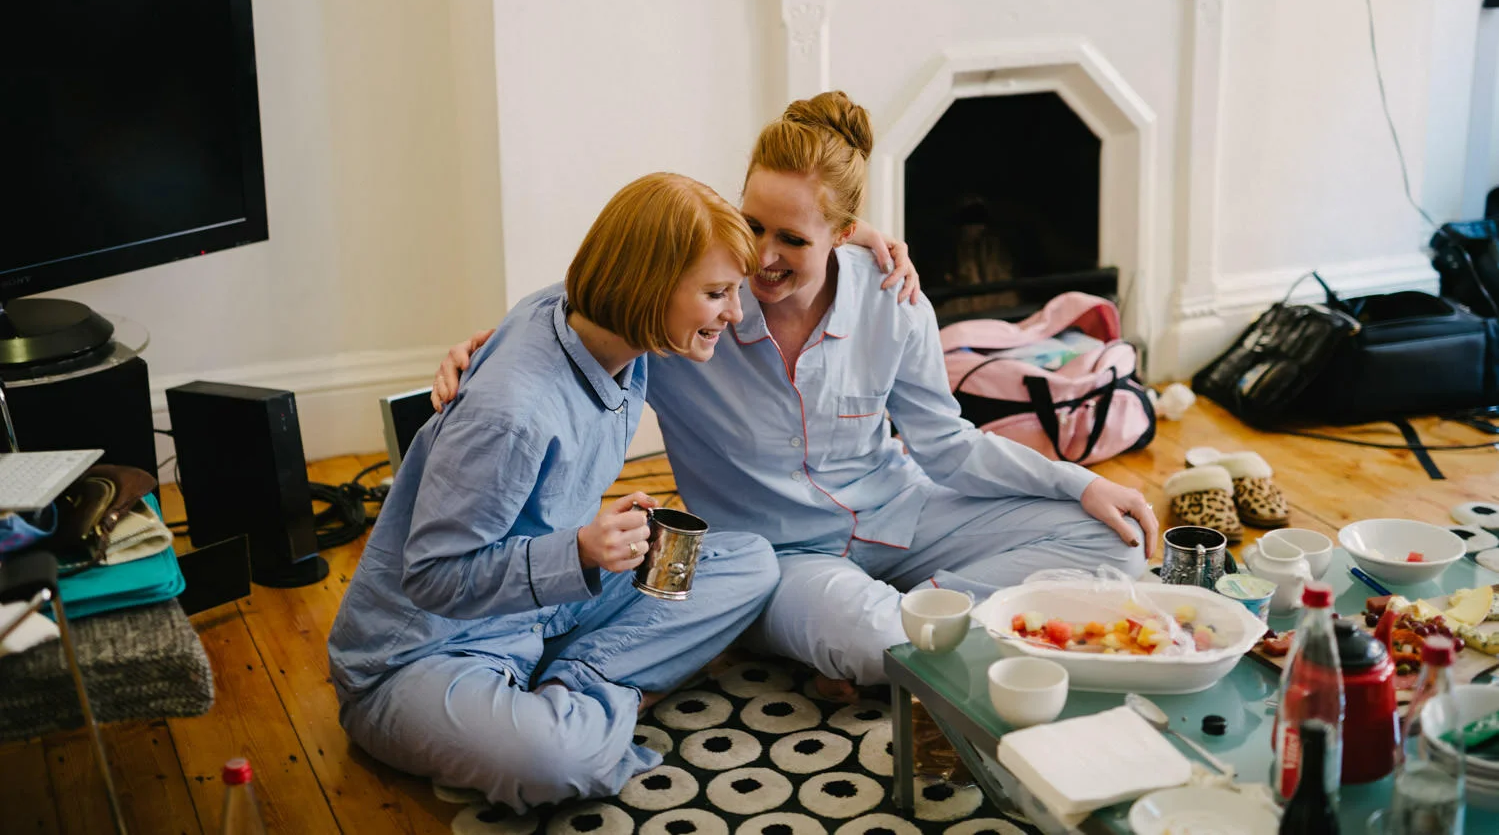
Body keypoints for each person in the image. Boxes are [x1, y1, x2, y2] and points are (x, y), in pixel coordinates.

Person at [433, 92, 1156, 692]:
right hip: (779, 558)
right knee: (877, 641)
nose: (763, 256)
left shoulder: (892, 299)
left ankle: (916, 622)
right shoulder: (693, 312)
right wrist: (489, 351)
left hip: (900, 514)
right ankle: (898, 630)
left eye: (794, 240)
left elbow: (948, 447)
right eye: (752, 226)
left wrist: (1078, 483)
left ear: (844, 233)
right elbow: (585, 304)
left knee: (1112, 541)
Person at [327, 173, 780, 813]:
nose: (735, 313)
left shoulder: (593, 318)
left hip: (546, 610)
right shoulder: (510, 416)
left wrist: (858, 233)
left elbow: (714, 230)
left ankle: (568, 684)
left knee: (752, 564)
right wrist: (583, 552)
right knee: (559, 762)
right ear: (649, 287)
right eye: (716, 294)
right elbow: (430, 577)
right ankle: (594, 700)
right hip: (424, 655)